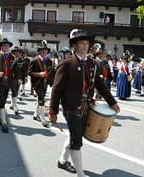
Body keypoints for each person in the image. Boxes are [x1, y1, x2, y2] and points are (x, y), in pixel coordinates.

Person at [49, 29, 120, 177]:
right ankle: (81, 174)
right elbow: (56, 89)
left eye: (87, 43)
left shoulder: (93, 63)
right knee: (77, 142)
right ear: (74, 45)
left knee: (75, 135)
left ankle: (62, 160)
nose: (85, 46)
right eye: (82, 43)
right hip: (71, 107)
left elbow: (100, 85)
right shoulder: (66, 63)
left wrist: (112, 102)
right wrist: (53, 111)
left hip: (88, 106)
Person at [0, 38, 19, 133]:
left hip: (8, 83)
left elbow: (16, 71)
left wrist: (18, 79)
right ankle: (4, 122)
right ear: (1, 46)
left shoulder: (13, 58)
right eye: (4, 45)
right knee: (1, 100)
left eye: (8, 46)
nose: (6, 47)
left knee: (3, 100)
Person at [28, 40, 55, 128]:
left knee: (40, 98)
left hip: (45, 84)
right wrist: (39, 74)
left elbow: (51, 73)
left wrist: (51, 82)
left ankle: (36, 114)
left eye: (45, 51)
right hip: (37, 83)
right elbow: (30, 72)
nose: (44, 52)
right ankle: (43, 120)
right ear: (39, 51)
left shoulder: (50, 61)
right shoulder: (34, 60)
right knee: (42, 100)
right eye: (42, 51)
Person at [9, 46, 23, 115]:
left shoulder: (21, 60)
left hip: (19, 79)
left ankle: (12, 104)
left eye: (18, 52)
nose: (17, 53)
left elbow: (23, 70)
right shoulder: (11, 59)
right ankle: (15, 107)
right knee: (14, 91)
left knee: (16, 91)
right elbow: (10, 69)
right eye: (15, 52)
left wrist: (23, 78)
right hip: (13, 78)